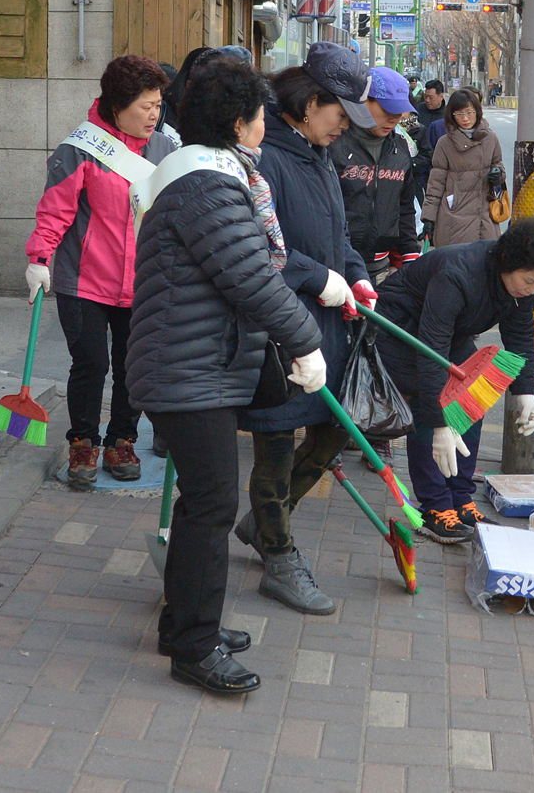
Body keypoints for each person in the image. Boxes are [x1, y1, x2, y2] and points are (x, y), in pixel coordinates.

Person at [127, 57, 329, 695]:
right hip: (186, 371)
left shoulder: (206, 176)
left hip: (192, 365)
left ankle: (183, 624)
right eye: (261, 115)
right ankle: (194, 646)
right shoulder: (208, 186)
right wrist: (305, 339)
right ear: (240, 124)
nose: (265, 126)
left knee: (202, 503)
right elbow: (249, 275)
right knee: (213, 504)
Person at [234, 44, 379, 615]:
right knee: (274, 444)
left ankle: (265, 522)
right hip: (278, 330)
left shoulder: (319, 155)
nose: (343, 128)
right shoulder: (264, 157)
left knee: (334, 431)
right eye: (339, 115)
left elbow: (335, 234)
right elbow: (257, 247)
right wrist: (318, 277)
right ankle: (279, 554)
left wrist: (357, 276)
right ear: (309, 102)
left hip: (328, 327)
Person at [25, 55, 177, 488]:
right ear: (116, 105)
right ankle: (83, 442)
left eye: (158, 104)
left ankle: (122, 440)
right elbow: (54, 210)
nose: (155, 114)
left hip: (143, 282)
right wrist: (38, 259)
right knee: (90, 364)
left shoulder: (166, 150)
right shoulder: (80, 148)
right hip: (84, 281)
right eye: (145, 105)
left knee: (133, 366)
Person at [372, 217, 534, 542]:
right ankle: (434, 506)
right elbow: (431, 350)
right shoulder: (458, 274)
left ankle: (460, 497)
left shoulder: (518, 284)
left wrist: (526, 391)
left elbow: (520, 332)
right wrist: (440, 426)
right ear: (509, 261)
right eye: (530, 281)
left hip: (450, 330)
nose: (531, 290)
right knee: (430, 400)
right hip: (400, 327)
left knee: (473, 393)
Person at [332, 66, 424, 280]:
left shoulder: (400, 148)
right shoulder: (335, 143)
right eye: (387, 110)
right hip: (337, 264)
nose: (394, 118)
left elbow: (405, 207)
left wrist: (410, 253)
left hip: (380, 265)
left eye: (399, 111)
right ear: (364, 101)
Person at [422, 88, 505, 248]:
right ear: (451, 115)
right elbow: (436, 183)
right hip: (454, 218)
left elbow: (498, 165)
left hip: (485, 216)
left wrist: (498, 174)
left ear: (477, 111)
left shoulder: (490, 139)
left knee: (485, 264)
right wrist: (429, 217)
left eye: (469, 112)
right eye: (459, 114)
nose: (465, 118)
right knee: (456, 266)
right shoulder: (445, 143)